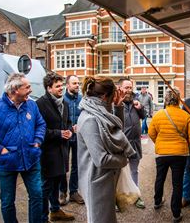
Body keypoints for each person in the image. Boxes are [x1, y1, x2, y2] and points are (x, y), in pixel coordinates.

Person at [0, 73, 46, 223]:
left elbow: (40, 124)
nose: (31, 90)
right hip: (7, 163)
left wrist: (37, 141)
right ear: (15, 90)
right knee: (7, 201)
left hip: (31, 159)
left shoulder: (31, 104)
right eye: (27, 87)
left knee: (37, 195)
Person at [77, 76, 136, 223]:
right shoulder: (90, 119)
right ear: (104, 96)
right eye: (113, 95)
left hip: (105, 178)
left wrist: (118, 106)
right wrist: (124, 160)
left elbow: (115, 131)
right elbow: (101, 159)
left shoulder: (97, 111)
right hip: (96, 181)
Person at [149, 87, 190, 223]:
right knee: (177, 183)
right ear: (179, 99)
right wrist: (186, 145)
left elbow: (151, 133)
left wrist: (159, 143)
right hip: (180, 154)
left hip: (162, 154)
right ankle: (176, 213)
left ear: (166, 99)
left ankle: (157, 202)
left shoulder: (158, 115)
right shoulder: (185, 115)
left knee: (160, 178)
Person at [36, 72, 75, 222]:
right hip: (48, 153)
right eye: (57, 86)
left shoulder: (63, 103)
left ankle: (55, 211)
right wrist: (58, 133)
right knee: (45, 187)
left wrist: (70, 131)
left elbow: (68, 122)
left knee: (58, 183)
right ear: (48, 88)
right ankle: (43, 218)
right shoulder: (40, 104)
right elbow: (38, 130)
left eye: (62, 85)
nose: (61, 88)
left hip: (62, 151)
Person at [119, 78, 146, 209]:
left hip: (135, 143)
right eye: (126, 87)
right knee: (119, 172)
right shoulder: (115, 103)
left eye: (130, 87)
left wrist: (140, 108)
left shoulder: (137, 100)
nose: (129, 90)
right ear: (120, 88)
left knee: (134, 171)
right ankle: (117, 199)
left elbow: (144, 115)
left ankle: (136, 196)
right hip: (121, 144)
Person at [59, 75, 84, 205]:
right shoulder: (61, 99)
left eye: (78, 83)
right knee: (63, 166)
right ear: (67, 85)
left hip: (78, 138)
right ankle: (62, 191)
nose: (77, 85)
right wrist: (68, 128)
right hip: (65, 137)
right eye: (74, 83)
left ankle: (74, 192)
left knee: (76, 165)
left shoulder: (82, 99)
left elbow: (85, 116)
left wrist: (81, 125)